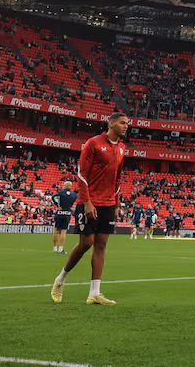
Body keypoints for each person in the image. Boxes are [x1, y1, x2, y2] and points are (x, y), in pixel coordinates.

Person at [51, 112, 129, 305]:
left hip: (109, 204)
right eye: (122, 123)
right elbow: (82, 173)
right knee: (86, 243)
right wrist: (86, 201)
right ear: (111, 124)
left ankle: (94, 292)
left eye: (127, 123)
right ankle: (60, 279)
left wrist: (117, 204)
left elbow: (118, 179)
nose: (126, 126)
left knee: (101, 244)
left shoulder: (121, 148)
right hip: (90, 202)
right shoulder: (93, 143)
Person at [50, 181, 77, 254]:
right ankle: (61, 249)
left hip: (59, 213)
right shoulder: (74, 195)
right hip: (67, 213)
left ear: (65, 186)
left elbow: (53, 197)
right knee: (63, 232)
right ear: (70, 186)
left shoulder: (61, 193)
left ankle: (55, 248)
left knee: (56, 230)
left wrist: (57, 205)